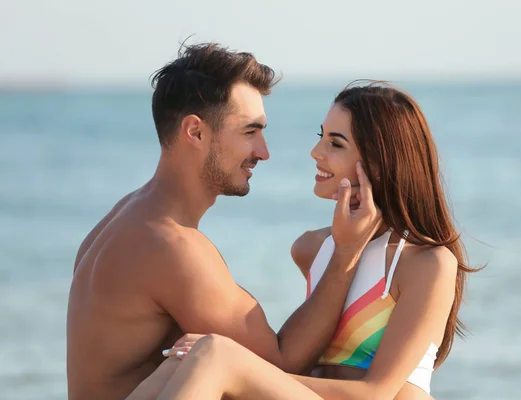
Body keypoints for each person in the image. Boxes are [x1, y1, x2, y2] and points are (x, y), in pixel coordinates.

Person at [66, 43, 382, 400]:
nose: (263, 152)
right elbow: (278, 370)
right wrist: (345, 253)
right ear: (196, 132)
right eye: (250, 132)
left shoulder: (128, 215)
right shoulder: (172, 246)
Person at [134, 81, 480, 400]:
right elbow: (298, 364)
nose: (316, 152)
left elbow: (376, 393)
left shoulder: (426, 263)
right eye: (321, 136)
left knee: (213, 354)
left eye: (335, 143)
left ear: (377, 163)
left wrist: (236, 364)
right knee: (183, 361)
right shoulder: (313, 249)